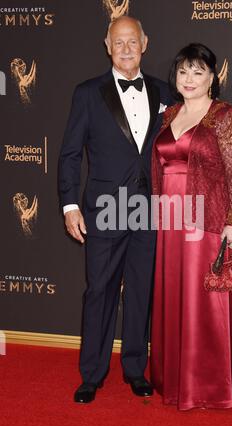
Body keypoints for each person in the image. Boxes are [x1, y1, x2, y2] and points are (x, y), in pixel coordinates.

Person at [58, 16, 172, 404]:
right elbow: (71, 154)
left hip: (150, 209)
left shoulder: (165, 92)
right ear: (107, 45)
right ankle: (91, 373)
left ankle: (136, 369)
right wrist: (70, 204)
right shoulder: (88, 93)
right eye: (118, 42)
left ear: (145, 42)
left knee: (142, 290)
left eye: (133, 41)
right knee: (100, 291)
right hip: (104, 208)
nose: (126, 49)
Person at [150, 43, 232, 410]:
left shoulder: (225, 115)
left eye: (198, 72)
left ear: (212, 77)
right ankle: (173, 379)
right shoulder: (170, 114)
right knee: (173, 295)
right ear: (175, 77)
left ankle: (205, 384)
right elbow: (160, 169)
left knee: (203, 301)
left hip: (205, 222)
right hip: (170, 222)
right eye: (183, 72)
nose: (189, 79)